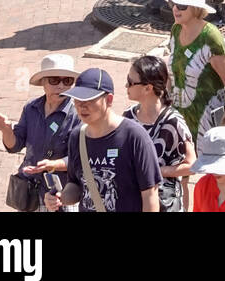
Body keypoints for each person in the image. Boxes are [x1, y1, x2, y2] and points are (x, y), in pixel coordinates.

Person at [44, 68, 161, 213]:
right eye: (77, 100)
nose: (81, 106)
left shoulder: (134, 137)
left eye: (89, 100)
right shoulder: (77, 137)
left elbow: (150, 195)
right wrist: (60, 198)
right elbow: (76, 184)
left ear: (109, 100)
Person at [0, 55, 78, 210]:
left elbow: (79, 159)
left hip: (60, 194)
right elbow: (14, 146)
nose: (61, 86)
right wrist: (6, 130)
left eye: (67, 81)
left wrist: (51, 165)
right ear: (43, 82)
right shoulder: (31, 108)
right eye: (55, 80)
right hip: (30, 190)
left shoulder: (77, 114)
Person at [157, 0, 225, 149]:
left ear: (195, 7)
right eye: (173, 3)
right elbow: (173, 72)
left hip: (208, 120)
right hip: (180, 115)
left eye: (182, 5)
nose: (175, 9)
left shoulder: (211, 37)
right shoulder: (176, 30)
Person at [123, 55, 194, 212]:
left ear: (148, 88)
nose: (126, 85)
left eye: (130, 82)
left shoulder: (173, 122)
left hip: (166, 204)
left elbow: (192, 165)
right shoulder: (127, 118)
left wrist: (156, 172)